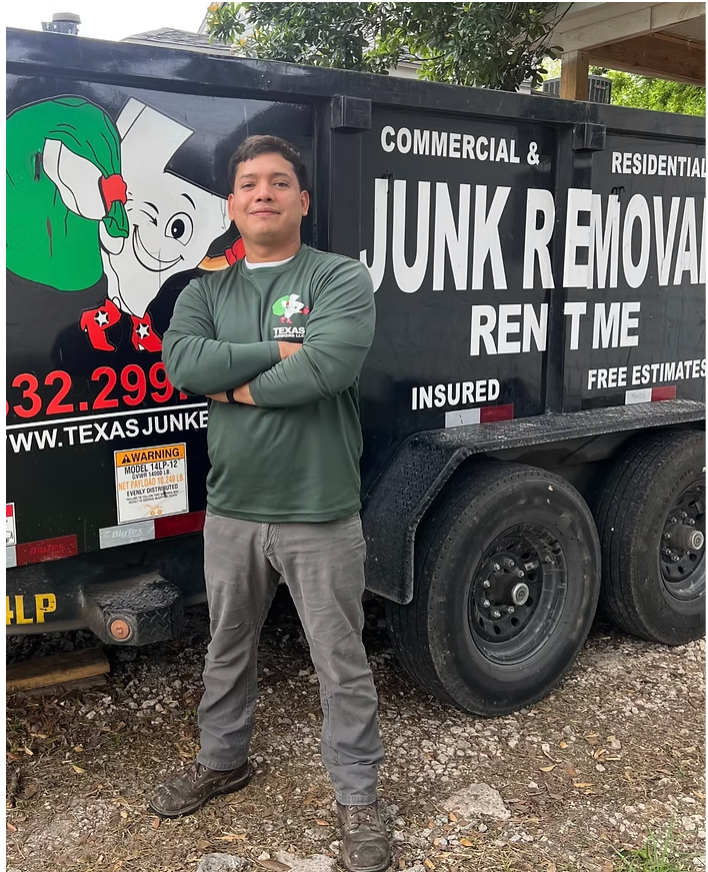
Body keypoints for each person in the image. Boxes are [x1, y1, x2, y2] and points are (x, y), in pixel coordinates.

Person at [151, 135, 390, 872]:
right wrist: (281, 352)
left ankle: (359, 798)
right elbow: (182, 362)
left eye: (279, 182)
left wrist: (232, 384)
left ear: (302, 200)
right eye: (250, 183)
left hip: (319, 510)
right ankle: (223, 761)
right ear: (231, 204)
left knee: (338, 657)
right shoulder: (203, 292)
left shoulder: (338, 277)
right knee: (226, 644)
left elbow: (328, 366)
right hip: (233, 508)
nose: (264, 193)